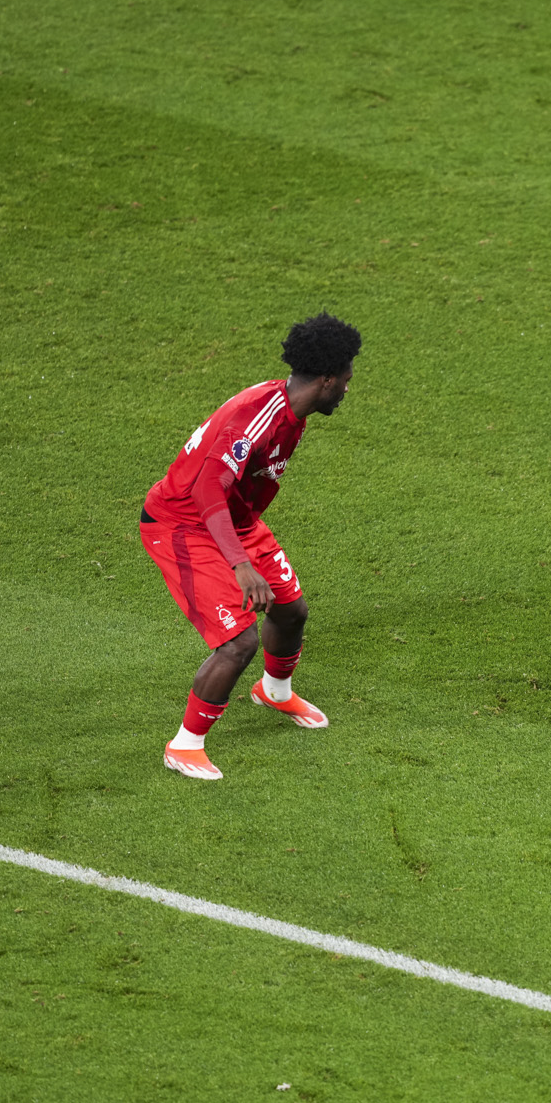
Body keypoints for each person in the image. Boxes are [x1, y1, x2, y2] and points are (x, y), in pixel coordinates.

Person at [139, 313, 361, 780]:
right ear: (325, 380)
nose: (347, 388)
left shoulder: (289, 410)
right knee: (238, 642)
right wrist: (239, 565)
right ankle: (185, 745)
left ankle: (274, 692)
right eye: (345, 380)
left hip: (235, 521)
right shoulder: (258, 417)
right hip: (183, 524)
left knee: (291, 610)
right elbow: (206, 491)